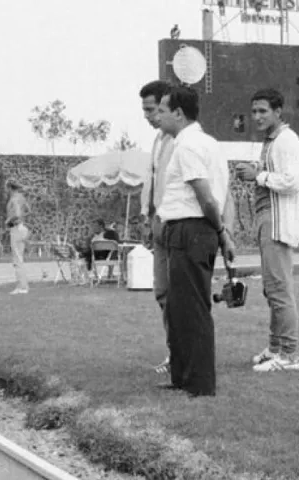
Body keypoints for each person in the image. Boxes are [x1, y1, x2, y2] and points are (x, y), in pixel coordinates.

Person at [154, 85, 235, 398]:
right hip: (186, 229)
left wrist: (221, 232)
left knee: (193, 309)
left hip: (192, 229)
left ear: (178, 113)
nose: (157, 117)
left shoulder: (189, 146)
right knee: (179, 308)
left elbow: (207, 198)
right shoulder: (206, 143)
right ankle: (182, 377)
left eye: (162, 110)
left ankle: (199, 384)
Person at [235, 88, 299, 373]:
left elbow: (293, 181)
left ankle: (288, 354)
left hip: (278, 224)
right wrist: (257, 169)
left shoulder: (287, 140)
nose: (257, 116)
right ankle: (275, 348)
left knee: (279, 290)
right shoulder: (271, 142)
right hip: (267, 221)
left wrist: (258, 175)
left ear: (279, 112)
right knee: (271, 289)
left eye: (263, 111)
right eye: (254, 111)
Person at [138, 80, 176, 375]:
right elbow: (151, 181)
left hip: (175, 222)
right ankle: (174, 351)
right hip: (157, 222)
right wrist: (145, 215)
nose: (148, 116)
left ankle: (182, 354)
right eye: (145, 110)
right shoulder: (158, 141)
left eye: (152, 109)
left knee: (177, 293)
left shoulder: (180, 140)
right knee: (162, 292)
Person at [5, 180, 30, 294]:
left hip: (16, 228)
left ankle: (22, 287)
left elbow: (17, 214)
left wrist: (8, 220)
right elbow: (28, 210)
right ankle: (22, 285)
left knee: (17, 259)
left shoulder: (14, 199)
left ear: (10, 188)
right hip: (23, 227)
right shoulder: (21, 197)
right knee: (20, 258)